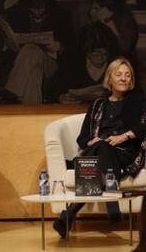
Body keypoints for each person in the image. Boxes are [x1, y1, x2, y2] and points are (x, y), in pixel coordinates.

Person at [53, 58, 146, 238]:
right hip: (100, 152)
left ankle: (70, 214)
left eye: (128, 75)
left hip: (124, 152)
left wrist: (123, 136)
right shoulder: (97, 105)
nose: (124, 78)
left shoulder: (139, 102)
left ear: (132, 80)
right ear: (109, 79)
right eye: (119, 74)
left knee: (94, 156)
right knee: (101, 147)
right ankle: (109, 198)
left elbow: (144, 127)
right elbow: (82, 138)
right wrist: (92, 141)